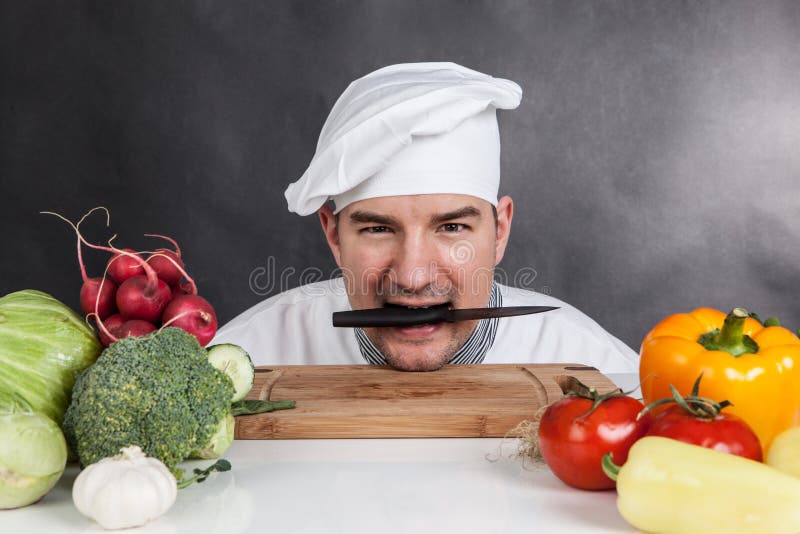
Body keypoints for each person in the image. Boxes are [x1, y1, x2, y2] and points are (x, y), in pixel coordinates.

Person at [212, 62, 638, 374]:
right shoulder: (247, 356)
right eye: (378, 228)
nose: (413, 276)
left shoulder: (602, 371)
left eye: (452, 228)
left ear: (500, 231)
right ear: (333, 235)